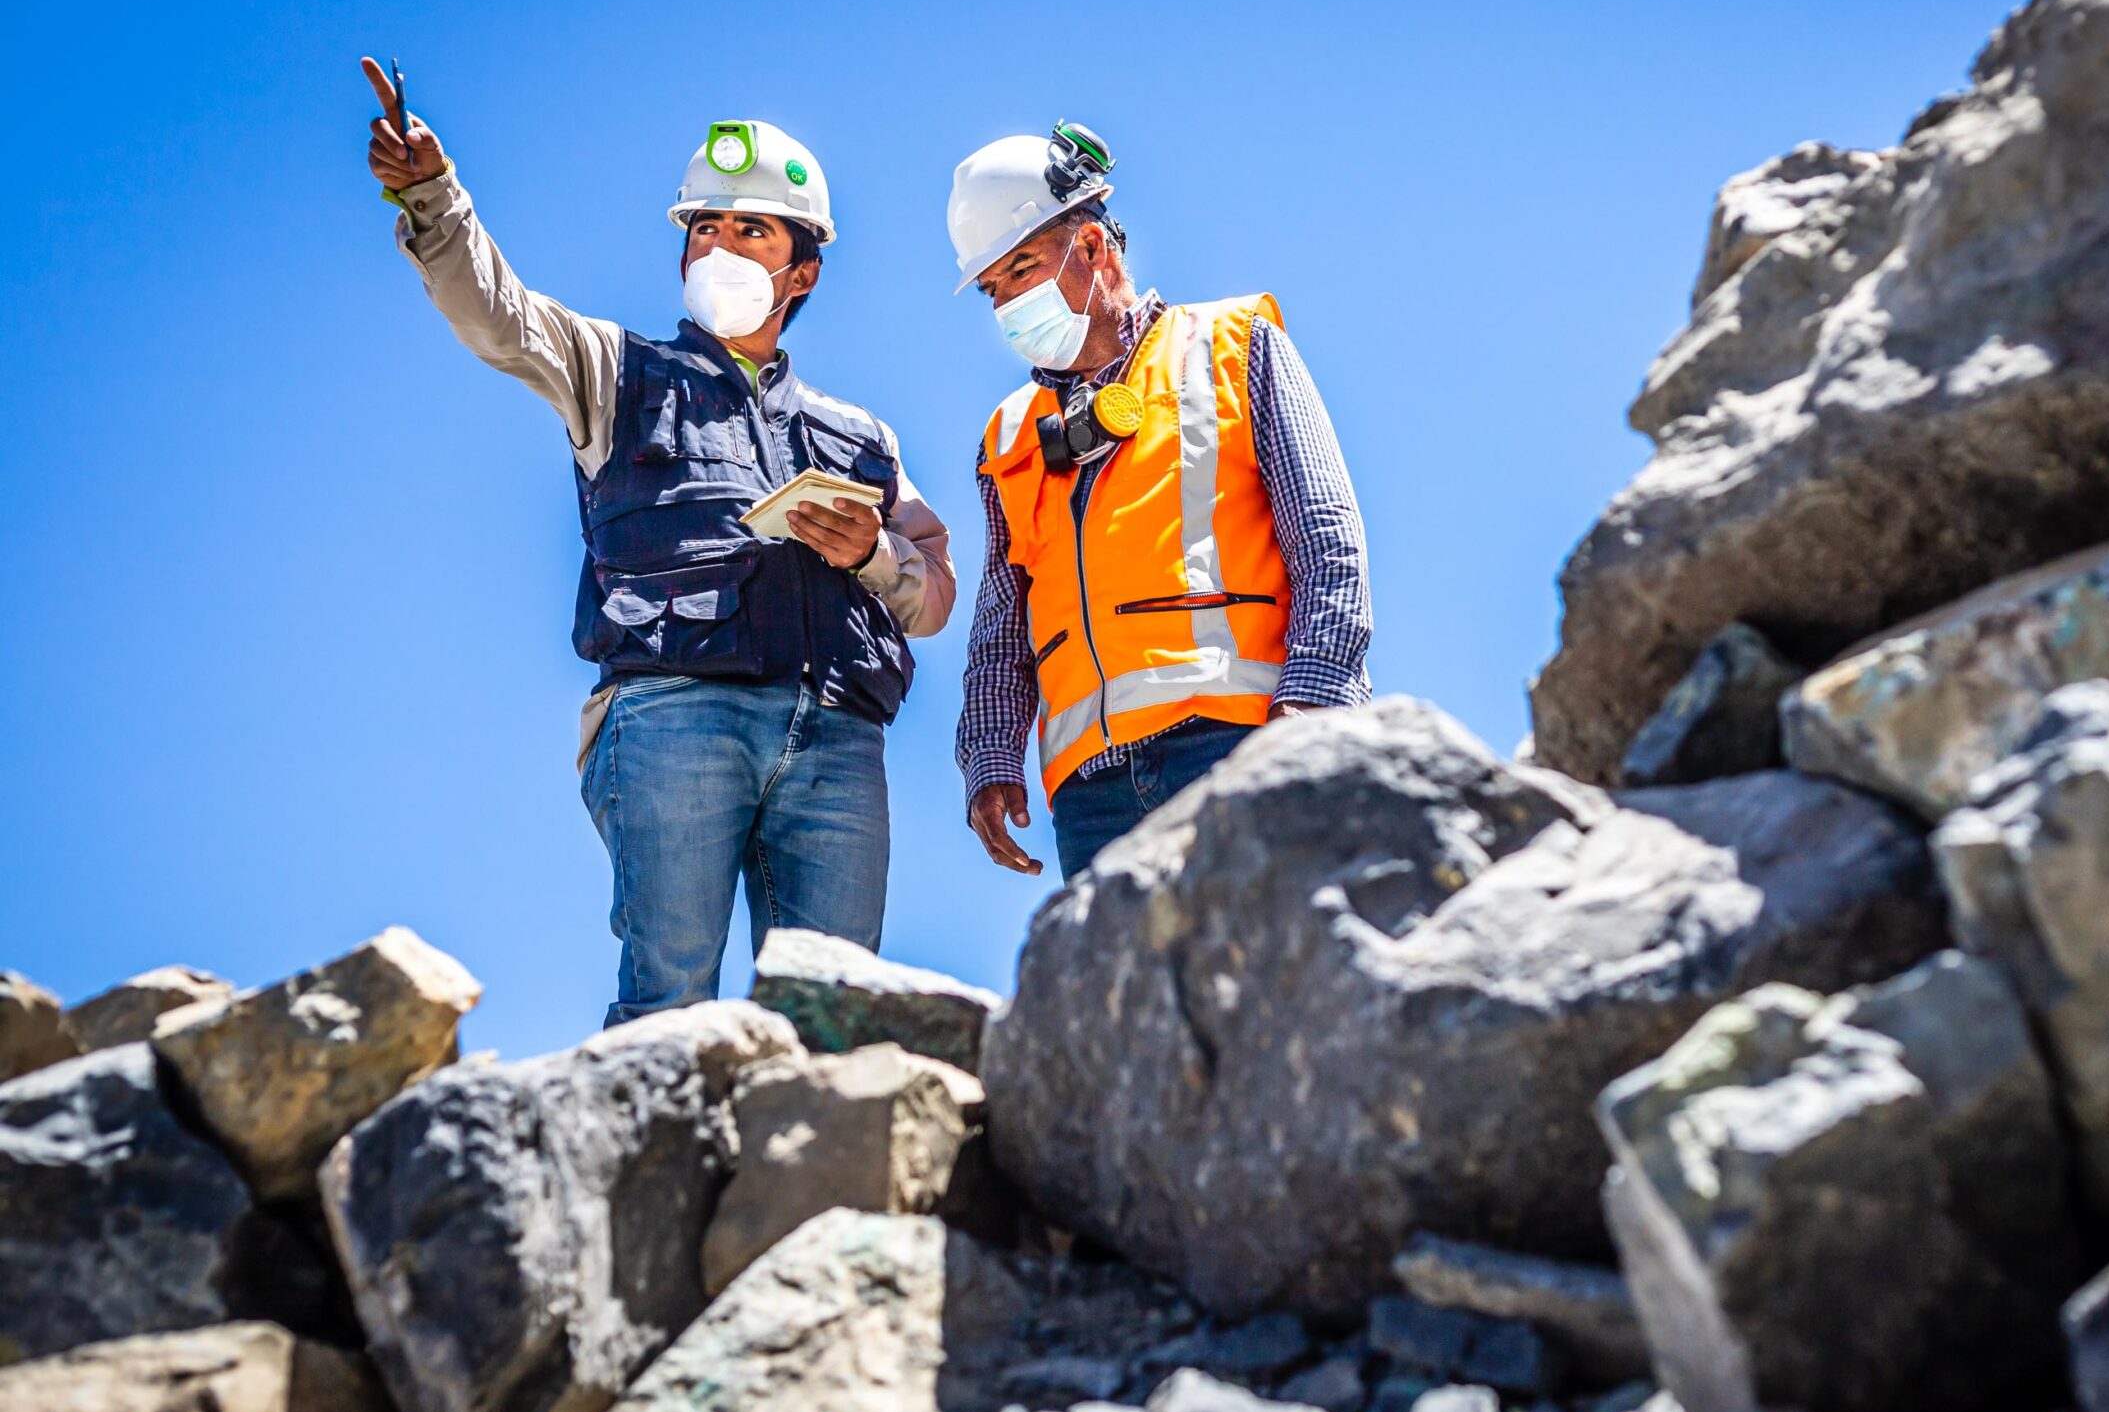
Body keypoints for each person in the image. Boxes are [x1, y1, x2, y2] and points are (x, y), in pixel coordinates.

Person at [361, 60, 955, 1023]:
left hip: (838, 741)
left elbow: (932, 599)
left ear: (802, 269)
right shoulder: (617, 370)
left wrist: (873, 557)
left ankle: (813, 1179)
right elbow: (498, 315)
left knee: (835, 1021)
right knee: (670, 1010)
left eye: (749, 228)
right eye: (703, 227)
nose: (718, 245)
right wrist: (434, 196)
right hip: (675, 718)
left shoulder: (863, 439)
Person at [950, 124, 1371, 879]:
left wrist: (1315, 700)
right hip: (1090, 792)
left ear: (1092, 248)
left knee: (1268, 986)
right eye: (993, 288)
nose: (1009, 302)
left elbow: (1326, 537)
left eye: (1021, 269)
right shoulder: (1011, 434)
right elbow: (1000, 622)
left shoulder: (1231, 343)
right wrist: (988, 754)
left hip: (1239, 741)